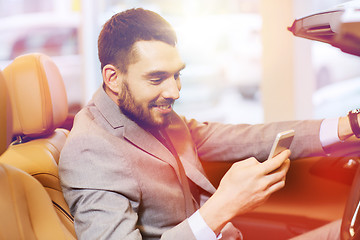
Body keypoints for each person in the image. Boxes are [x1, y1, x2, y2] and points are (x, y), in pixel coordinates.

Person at [59, 8, 359, 240]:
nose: (174, 92)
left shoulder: (149, 112)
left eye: (177, 74)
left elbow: (243, 138)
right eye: (156, 78)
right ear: (113, 78)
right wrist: (223, 206)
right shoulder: (90, 150)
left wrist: (349, 125)